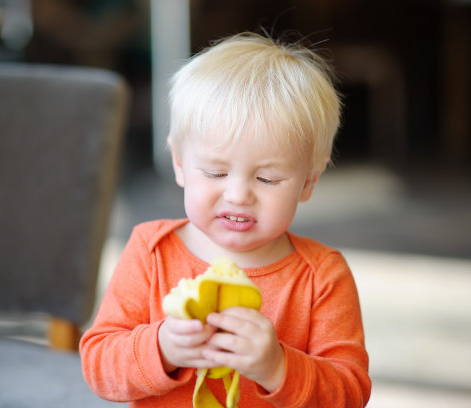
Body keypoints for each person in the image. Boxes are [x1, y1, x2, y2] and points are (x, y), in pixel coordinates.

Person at [80, 32, 371, 407]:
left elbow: (350, 393)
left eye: (267, 179)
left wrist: (278, 367)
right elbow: (98, 366)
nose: (237, 195)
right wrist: (163, 348)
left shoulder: (323, 277)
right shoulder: (150, 252)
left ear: (308, 182)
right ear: (180, 164)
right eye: (216, 173)